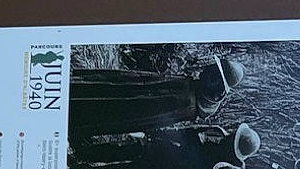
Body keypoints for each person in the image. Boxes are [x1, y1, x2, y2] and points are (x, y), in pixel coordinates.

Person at [71, 55, 246, 137]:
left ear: (216, 82)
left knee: (102, 108)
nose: (208, 69)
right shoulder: (193, 88)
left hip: (125, 105)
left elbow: (136, 106)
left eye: (214, 72)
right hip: (131, 93)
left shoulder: (186, 100)